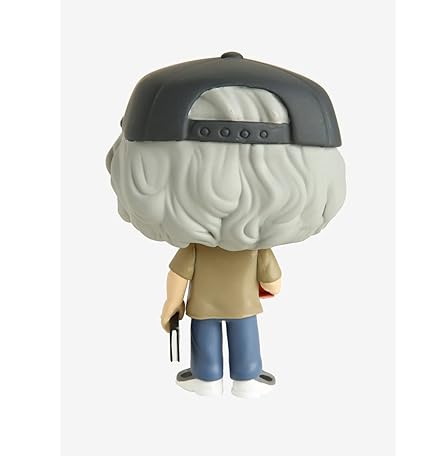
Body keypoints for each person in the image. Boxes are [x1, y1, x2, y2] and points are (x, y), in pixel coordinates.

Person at [106, 52, 346, 398]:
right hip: (244, 305)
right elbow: (274, 283)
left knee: (204, 337)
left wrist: (172, 304)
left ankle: (206, 378)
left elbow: (177, 278)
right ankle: (247, 378)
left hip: (202, 306)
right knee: (245, 335)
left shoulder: (193, 250)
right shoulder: (258, 251)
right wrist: (265, 288)